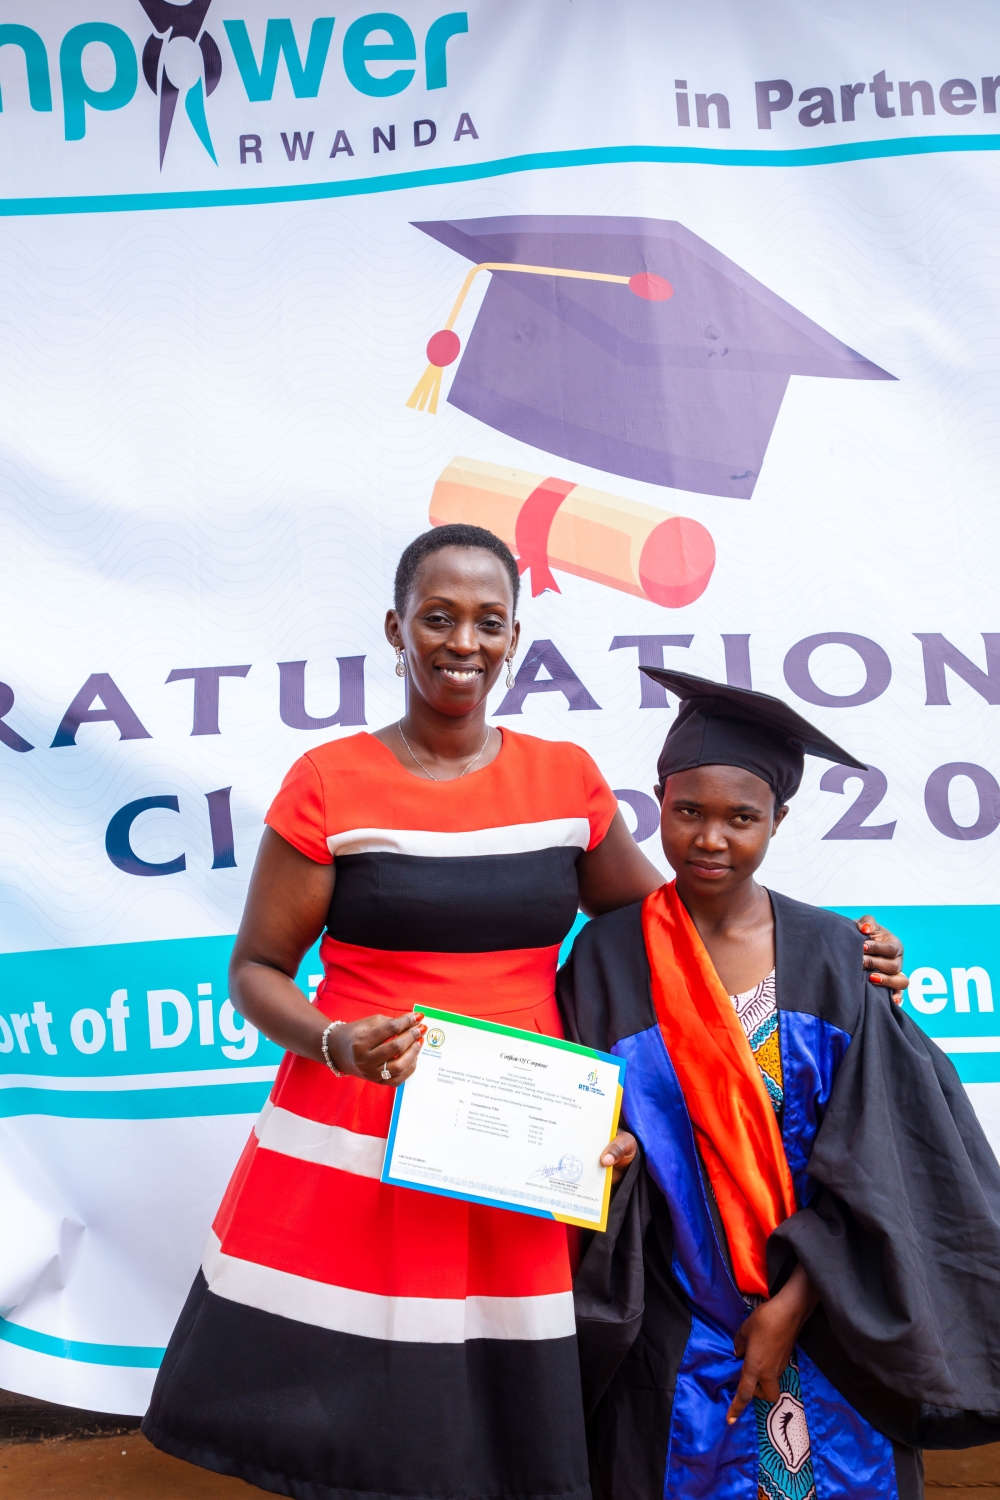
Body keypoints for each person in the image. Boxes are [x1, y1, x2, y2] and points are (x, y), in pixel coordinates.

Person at [143, 529, 907, 1500]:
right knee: (358, 1405)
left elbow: (670, 921)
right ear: (396, 628)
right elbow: (256, 968)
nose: (462, 641)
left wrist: (835, 952)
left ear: (513, 639)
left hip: (521, 1130)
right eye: (438, 617)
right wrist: (335, 1042)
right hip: (360, 1119)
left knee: (500, 1407)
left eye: (487, 621)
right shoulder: (330, 784)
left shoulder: (562, 781)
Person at [559, 669, 1000, 1500]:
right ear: (657, 801)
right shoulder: (609, 959)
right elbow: (590, 1119)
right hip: (676, 1321)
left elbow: (881, 1160)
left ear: (779, 822)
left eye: (742, 819)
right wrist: (606, 1146)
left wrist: (794, 1302)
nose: (710, 839)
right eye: (687, 812)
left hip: (831, 1324)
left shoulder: (838, 955)